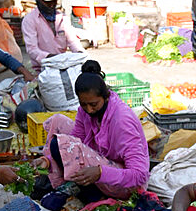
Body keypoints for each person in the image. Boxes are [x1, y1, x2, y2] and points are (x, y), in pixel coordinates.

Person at [38, 64, 149, 202]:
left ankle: (92, 196)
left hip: (127, 185)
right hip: (101, 164)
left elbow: (140, 175)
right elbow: (73, 141)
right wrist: (47, 160)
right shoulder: (84, 111)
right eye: (84, 104)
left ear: (106, 97)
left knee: (64, 144)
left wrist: (100, 173)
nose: (89, 110)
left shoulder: (122, 121)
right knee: (58, 122)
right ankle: (74, 184)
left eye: (94, 105)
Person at [21, 0, 83, 74]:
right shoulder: (29, 20)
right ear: (38, 0)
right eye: (47, 2)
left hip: (62, 65)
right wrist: (51, 58)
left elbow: (73, 42)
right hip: (40, 68)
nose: (51, 5)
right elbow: (32, 50)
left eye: (53, 1)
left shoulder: (62, 18)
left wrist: (81, 55)